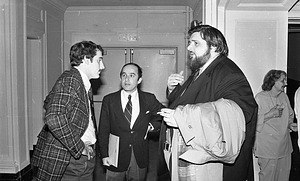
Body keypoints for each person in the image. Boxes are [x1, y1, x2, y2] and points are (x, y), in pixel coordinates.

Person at [157, 20, 258, 181]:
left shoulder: (228, 72)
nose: (189, 48)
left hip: (210, 167)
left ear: (215, 47)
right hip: (191, 156)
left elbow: (240, 113)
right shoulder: (201, 70)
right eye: (189, 43)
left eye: (196, 43)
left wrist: (184, 117)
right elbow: (186, 102)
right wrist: (172, 90)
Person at [31, 40, 105, 181]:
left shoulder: (79, 81)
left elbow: (49, 102)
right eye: (99, 60)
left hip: (81, 157)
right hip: (71, 159)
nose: (102, 66)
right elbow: (54, 117)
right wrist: (79, 146)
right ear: (86, 60)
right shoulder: (71, 80)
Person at [98, 63, 164, 181]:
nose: (126, 79)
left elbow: (162, 115)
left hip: (139, 156)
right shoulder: (109, 100)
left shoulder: (149, 99)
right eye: (124, 75)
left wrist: (151, 126)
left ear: (139, 80)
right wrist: (104, 154)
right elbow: (103, 129)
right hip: (115, 155)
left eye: (132, 75)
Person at [254, 69, 297, 181]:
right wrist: (270, 114)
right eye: (283, 80)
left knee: (284, 177)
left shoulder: (284, 96)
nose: (286, 83)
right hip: (268, 149)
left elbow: (290, 115)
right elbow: (252, 122)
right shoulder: (260, 98)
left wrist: (290, 125)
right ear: (273, 81)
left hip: (285, 147)